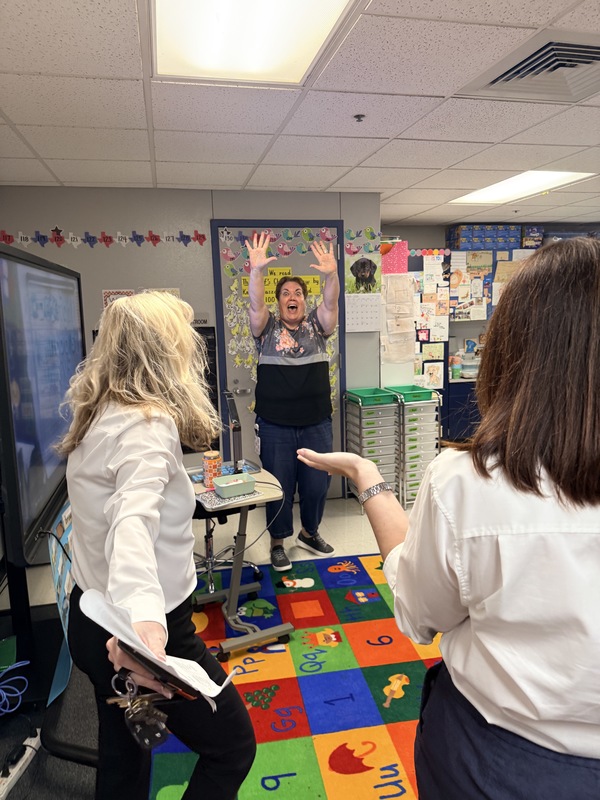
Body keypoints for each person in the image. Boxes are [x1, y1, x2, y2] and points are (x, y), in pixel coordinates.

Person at [297, 237, 600, 799]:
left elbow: (419, 614)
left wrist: (367, 477)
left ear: (511, 348)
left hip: (494, 757)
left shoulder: (469, 481)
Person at [56, 291, 256, 800]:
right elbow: (131, 521)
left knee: (124, 756)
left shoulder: (97, 413)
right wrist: (145, 630)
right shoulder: (148, 423)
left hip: (91, 618)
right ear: (165, 355)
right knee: (233, 746)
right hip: (143, 633)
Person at [246, 231, 340, 572]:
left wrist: (332, 275)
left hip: (316, 422)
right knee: (279, 487)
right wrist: (256, 271)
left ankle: (309, 533)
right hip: (275, 425)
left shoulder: (318, 326)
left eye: (298, 293)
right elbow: (256, 304)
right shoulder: (266, 328)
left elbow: (331, 303)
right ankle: (277, 543)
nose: (292, 297)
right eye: (285, 293)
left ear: (304, 300)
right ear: (278, 301)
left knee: (317, 485)